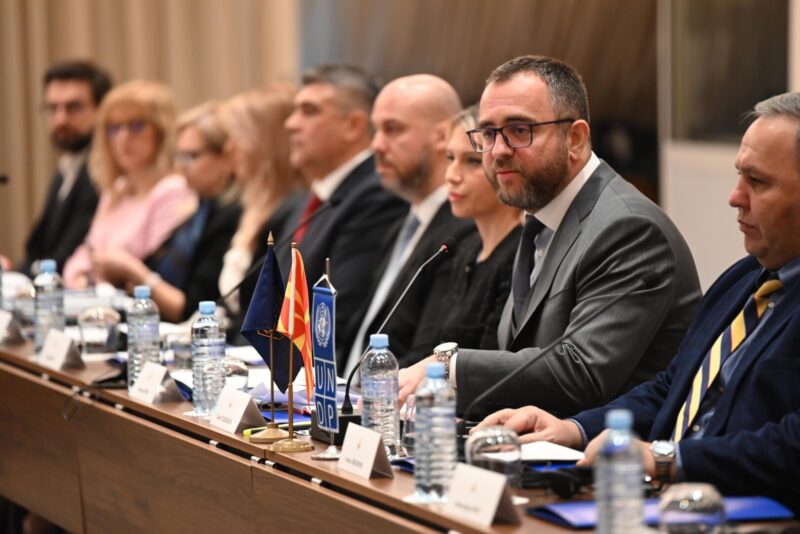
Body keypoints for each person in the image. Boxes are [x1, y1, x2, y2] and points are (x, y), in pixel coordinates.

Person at [477, 91, 800, 512]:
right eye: (740, 176)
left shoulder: (631, 228)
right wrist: (574, 430)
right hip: (664, 502)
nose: (735, 196)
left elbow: (792, 446)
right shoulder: (743, 280)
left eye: (757, 182)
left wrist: (667, 459)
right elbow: (672, 387)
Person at [398, 56, 701, 418]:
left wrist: (449, 365)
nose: (498, 151)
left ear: (575, 138)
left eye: (519, 130)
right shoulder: (541, 218)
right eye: (489, 133)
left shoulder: (630, 229)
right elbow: (518, 353)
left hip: (610, 447)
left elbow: (581, 371)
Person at [343, 74, 475, 375]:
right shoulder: (401, 226)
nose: (376, 145)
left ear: (443, 136)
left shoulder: (462, 232)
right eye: (376, 130)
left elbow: (427, 352)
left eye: (393, 129)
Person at [278, 64, 408, 359]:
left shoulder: (376, 196)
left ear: (353, 126)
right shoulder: (315, 196)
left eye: (309, 111)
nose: (291, 124)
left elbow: (335, 314)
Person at [89, 102, 242, 322]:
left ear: (227, 158)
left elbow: (196, 308)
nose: (181, 166)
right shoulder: (199, 212)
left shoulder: (231, 216)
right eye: (179, 156)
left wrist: (133, 272)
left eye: (192, 156)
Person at [416, 105, 522, 351]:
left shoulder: (521, 254)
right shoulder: (467, 247)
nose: (451, 176)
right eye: (450, 158)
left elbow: (492, 358)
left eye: (472, 161)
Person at [10, 60, 112, 277]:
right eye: (52, 108)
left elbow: (64, 257)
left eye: (73, 107)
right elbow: (37, 249)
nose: (60, 119)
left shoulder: (105, 173)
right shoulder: (66, 168)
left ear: (102, 110)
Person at [215, 87, 305, 319]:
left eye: (237, 137)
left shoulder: (294, 211)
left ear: (267, 142)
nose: (228, 148)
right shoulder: (247, 206)